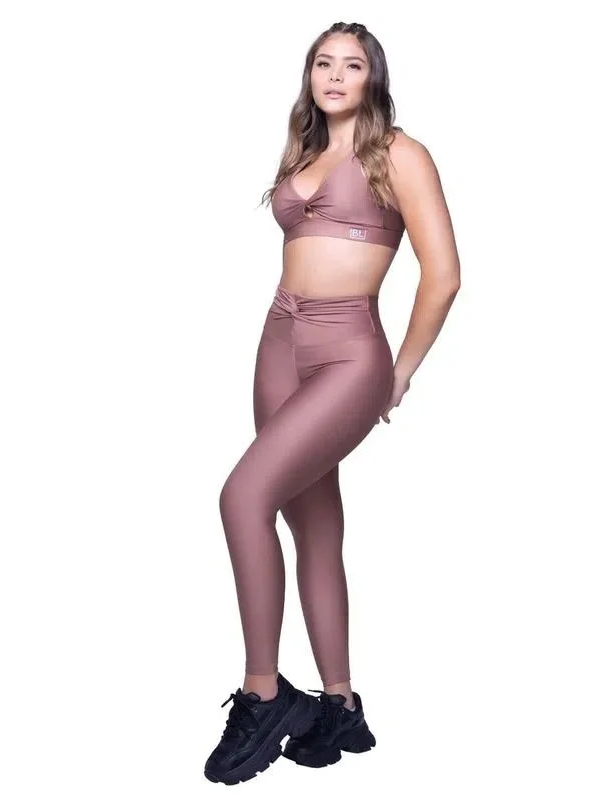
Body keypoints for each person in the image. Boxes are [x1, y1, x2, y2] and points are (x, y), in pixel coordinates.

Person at [204, 21, 461, 784]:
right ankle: (341, 706)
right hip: (279, 340)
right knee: (311, 523)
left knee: (242, 498)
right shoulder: (305, 151)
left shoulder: (401, 153)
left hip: (350, 352)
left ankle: (264, 693)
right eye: (324, 63)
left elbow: (444, 273)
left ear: (373, 77)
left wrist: (401, 371)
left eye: (352, 64)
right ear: (309, 75)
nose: (336, 75)